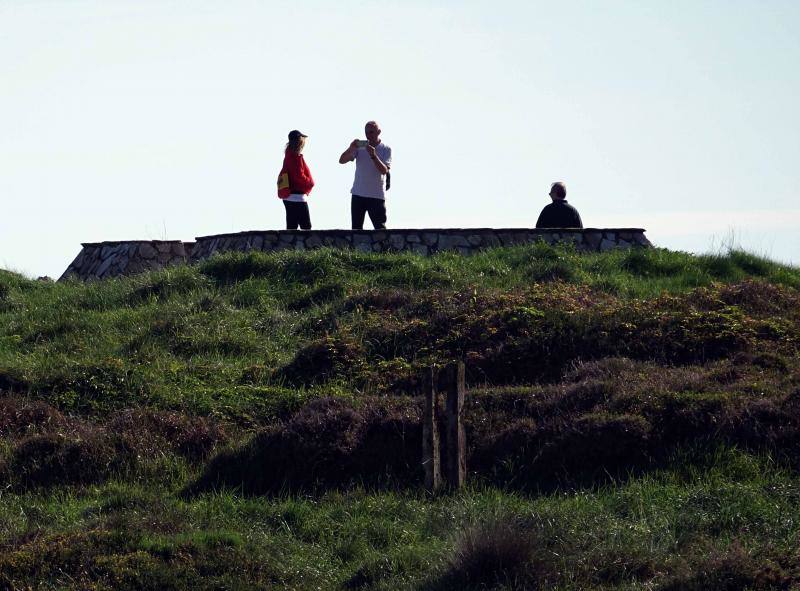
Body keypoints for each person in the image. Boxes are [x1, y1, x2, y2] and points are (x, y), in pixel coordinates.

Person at [339, 121, 392, 229]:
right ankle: (355, 247)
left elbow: (384, 170)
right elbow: (342, 160)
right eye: (367, 132)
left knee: (380, 229)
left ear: (379, 132)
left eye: (371, 132)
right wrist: (351, 147)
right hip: (358, 194)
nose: (369, 135)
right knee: (356, 229)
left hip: (376, 195)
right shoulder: (360, 147)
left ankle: (384, 247)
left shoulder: (386, 149)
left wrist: (373, 156)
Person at [279, 130, 315, 230]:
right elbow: (299, 176)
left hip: (289, 196)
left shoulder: (288, 155)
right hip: (297, 196)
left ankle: (290, 246)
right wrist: (310, 183)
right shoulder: (294, 157)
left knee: (291, 227)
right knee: (306, 227)